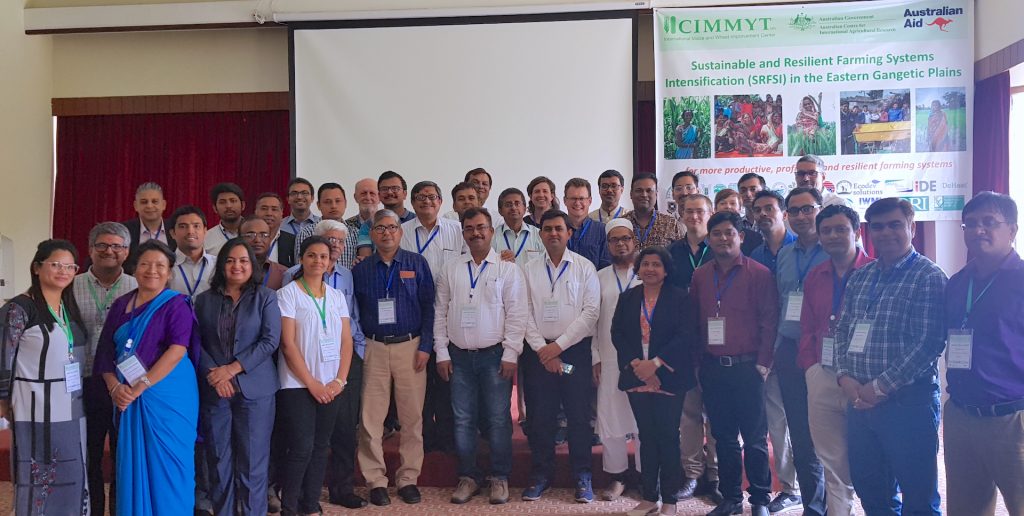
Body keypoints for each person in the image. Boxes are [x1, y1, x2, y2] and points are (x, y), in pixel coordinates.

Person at [835, 198, 947, 515]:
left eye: (895, 224)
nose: (886, 232)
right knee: (872, 491)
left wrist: (880, 387)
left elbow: (928, 344)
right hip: (859, 402)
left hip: (908, 404)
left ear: (911, 227)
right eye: (879, 226)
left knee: (918, 497)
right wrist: (844, 376)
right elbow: (842, 330)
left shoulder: (929, 276)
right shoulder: (861, 277)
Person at [94, 239, 201, 516]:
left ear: (169, 272)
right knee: (133, 465)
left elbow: (177, 350)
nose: (151, 270)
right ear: (134, 268)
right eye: (145, 264)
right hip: (127, 396)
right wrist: (115, 387)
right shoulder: (120, 305)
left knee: (171, 465)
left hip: (169, 397)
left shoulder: (176, 304)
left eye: (159, 265)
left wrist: (140, 386)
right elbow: (105, 352)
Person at [433, 207, 527, 505]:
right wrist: (440, 352)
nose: (476, 232)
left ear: (491, 231)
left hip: (495, 356)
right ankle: (469, 477)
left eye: (481, 227)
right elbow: (439, 312)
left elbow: (517, 314)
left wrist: (511, 353)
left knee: (498, 419)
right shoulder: (451, 268)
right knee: (463, 419)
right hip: (458, 357)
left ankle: (500, 477)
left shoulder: (507, 268)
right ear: (463, 232)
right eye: (470, 227)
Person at [690, 211, 777, 516]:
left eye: (729, 233)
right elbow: (696, 323)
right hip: (713, 368)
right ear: (708, 239)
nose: (723, 238)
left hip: (749, 367)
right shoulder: (700, 276)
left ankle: (760, 500)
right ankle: (730, 499)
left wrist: (764, 363)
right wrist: (699, 364)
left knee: (754, 440)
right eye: (717, 234)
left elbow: (770, 321)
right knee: (723, 438)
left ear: (741, 236)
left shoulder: (760, 273)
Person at [944, 192, 1024, 515]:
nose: (978, 230)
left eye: (989, 222)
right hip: (961, 416)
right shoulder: (958, 282)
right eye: (971, 224)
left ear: (1013, 230)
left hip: (1012, 419)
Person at [282, 220, 369, 510]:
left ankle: (310, 503)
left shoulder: (335, 296)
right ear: (301, 259)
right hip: (298, 384)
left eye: (323, 256)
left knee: (321, 447)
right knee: (302, 448)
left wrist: (339, 381)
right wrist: (312, 383)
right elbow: (288, 344)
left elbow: (346, 341)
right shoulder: (288, 293)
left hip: (332, 384)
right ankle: (290, 505)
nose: (318, 260)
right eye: (312, 256)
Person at [352, 209, 435, 506]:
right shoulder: (360, 270)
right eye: (380, 228)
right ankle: (375, 480)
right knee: (370, 419)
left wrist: (426, 346)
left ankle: (408, 478)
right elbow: (354, 313)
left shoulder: (416, 263)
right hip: (373, 348)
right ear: (372, 234)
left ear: (401, 232)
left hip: (411, 348)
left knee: (412, 418)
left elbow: (429, 308)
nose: (386, 233)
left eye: (392, 227)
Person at [1, 240, 89, 514]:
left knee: (74, 475)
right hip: (36, 405)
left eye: (70, 266)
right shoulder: (19, 309)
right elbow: (2, 359)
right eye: (55, 264)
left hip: (72, 405)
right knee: (40, 478)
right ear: (37, 267)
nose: (63, 271)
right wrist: (3, 401)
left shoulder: (68, 307)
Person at [194, 239, 281, 516]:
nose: (237, 265)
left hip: (255, 389)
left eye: (243, 260)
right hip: (215, 388)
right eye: (230, 260)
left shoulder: (265, 296)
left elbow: (270, 341)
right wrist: (217, 376)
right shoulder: (204, 300)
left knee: (253, 462)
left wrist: (232, 369)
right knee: (219, 460)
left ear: (251, 265)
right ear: (221, 265)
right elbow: (197, 343)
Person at [521, 210, 600, 503]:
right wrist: (544, 350)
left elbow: (591, 313)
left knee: (578, 416)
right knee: (541, 417)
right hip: (539, 357)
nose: (553, 233)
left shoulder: (585, 267)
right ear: (540, 234)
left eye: (559, 228)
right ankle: (541, 474)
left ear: (569, 233)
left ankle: (582, 474)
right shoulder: (527, 269)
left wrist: (559, 347)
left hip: (573, 357)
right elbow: (522, 312)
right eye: (547, 229)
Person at [798, 204, 872, 516]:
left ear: (856, 232)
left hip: (863, 378)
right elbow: (807, 324)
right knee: (829, 455)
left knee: (869, 455)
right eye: (826, 230)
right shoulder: (816, 275)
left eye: (840, 229)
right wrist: (811, 366)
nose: (832, 236)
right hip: (822, 372)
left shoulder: (875, 272)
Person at [612, 246, 695, 516]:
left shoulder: (680, 298)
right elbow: (618, 334)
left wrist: (655, 366)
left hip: (668, 376)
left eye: (656, 264)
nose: (650, 269)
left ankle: (669, 499)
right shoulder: (628, 298)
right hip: (637, 375)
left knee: (668, 438)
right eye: (645, 263)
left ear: (666, 269)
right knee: (646, 437)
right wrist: (637, 364)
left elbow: (685, 336)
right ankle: (649, 497)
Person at [72, 223, 138, 516]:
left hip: (123, 384)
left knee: (123, 454)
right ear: (90, 250)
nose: (109, 251)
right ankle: (93, 509)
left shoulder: (137, 286)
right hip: (82, 382)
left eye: (117, 246)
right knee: (91, 453)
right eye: (102, 245)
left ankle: (120, 509)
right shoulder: (70, 285)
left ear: (126, 252)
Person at [772, 188, 828, 516]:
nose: (801, 216)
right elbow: (782, 301)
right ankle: (814, 506)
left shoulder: (837, 247)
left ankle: (839, 503)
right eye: (794, 211)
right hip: (791, 349)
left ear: (820, 210)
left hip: (826, 353)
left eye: (808, 209)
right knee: (801, 434)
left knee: (830, 433)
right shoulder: (785, 253)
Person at [746, 190, 800, 511]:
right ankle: (789, 487)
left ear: (783, 213)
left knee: (805, 422)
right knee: (776, 422)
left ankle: (812, 485)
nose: (764, 214)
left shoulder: (802, 248)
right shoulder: (755, 255)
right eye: (759, 210)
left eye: (770, 208)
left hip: (799, 349)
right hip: (768, 350)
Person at [665, 195, 721, 503]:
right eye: (689, 211)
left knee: (715, 414)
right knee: (688, 415)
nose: (695, 216)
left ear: (710, 213)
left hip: (716, 344)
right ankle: (692, 473)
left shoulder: (721, 248)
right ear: (682, 215)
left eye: (700, 211)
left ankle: (715, 475)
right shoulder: (672, 252)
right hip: (684, 345)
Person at [400, 181, 462, 453]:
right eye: (420, 197)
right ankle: (422, 435)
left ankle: (447, 437)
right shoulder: (401, 232)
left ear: (440, 202)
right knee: (419, 380)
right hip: (414, 314)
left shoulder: (457, 231)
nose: (426, 201)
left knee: (447, 379)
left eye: (431, 197)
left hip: (451, 315)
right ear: (412, 203)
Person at [593, 219, 642, 501]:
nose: (620, 244)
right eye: (614, 240)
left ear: (634, 241)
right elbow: (592, 321)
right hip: (609, 359)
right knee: (611, 419)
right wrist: (595, 358)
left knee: (644, 419)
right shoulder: (598, 277)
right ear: (608, 245)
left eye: (625, 238)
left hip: (643, 359)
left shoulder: (647, 272)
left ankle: (646, 474)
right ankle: (617, 476)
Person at [294, 183, 358, 269]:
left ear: (345, 203)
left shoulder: (355, 233)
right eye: (327, 202)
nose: (333, 206)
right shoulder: (307, 233)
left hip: (346, 281)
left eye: (338, 201)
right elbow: (300, 267)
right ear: (318, 205)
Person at [122, 182, 176, 272]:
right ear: (136, 206)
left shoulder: (176, 229)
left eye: (155, 201)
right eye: (144, 202)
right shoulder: (124, 231)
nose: (149, 206)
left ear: (163, 205)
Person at [169, 205, 216, 299]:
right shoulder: (165, 265)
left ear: (205, 231)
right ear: (173, 233)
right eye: (183, 226)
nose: (190, 231)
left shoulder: (217, 264)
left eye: (196, 226)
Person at [626, 173, 681, 250]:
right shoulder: (621, 223)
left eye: (649, 191)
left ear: (656, 194)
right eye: (639, 190)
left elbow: (680, 255)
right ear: (631, 194)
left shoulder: (671, 224)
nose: (644, 195)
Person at [565, 177, 610, 270]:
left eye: (581, 198)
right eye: (573, 198)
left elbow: (606, 267)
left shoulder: (603, 231)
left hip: (593, 283)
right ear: (565, 201)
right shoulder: (557, 230)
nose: (577, 203)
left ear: (589, 201)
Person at [493, 187, 545, 268]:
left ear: (524, 209)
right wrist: (498, 259)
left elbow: (547, 262)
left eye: (517, 203)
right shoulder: (493, 236)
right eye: (508, 205)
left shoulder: (539, 235)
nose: (513, 208)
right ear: (500, 211)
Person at [240, 216, 288, 290]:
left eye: (264, 235)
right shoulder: (231, 270)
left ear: (270, 239)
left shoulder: (284, 274)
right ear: (239, 239)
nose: (257, 240)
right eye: (250, 235)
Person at [204, 182, 246, 256]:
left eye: (233, 201)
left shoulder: (255, 233)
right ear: (215, 208)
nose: (228, 206)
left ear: (243, 205)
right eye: (222, 202)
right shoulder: (206, 238)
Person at [254, 192, 295, 268]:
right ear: (255, 211)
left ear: (282, 212)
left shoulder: (292, 241)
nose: (269, 213)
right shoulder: (247, 239)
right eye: (264, 209)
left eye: (274, 209)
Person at [735, 173, 766, 255]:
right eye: (743, 190)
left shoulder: (771, 222)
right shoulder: (736, 225)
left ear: (763, 191)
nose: (748, 194)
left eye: (753, 189)